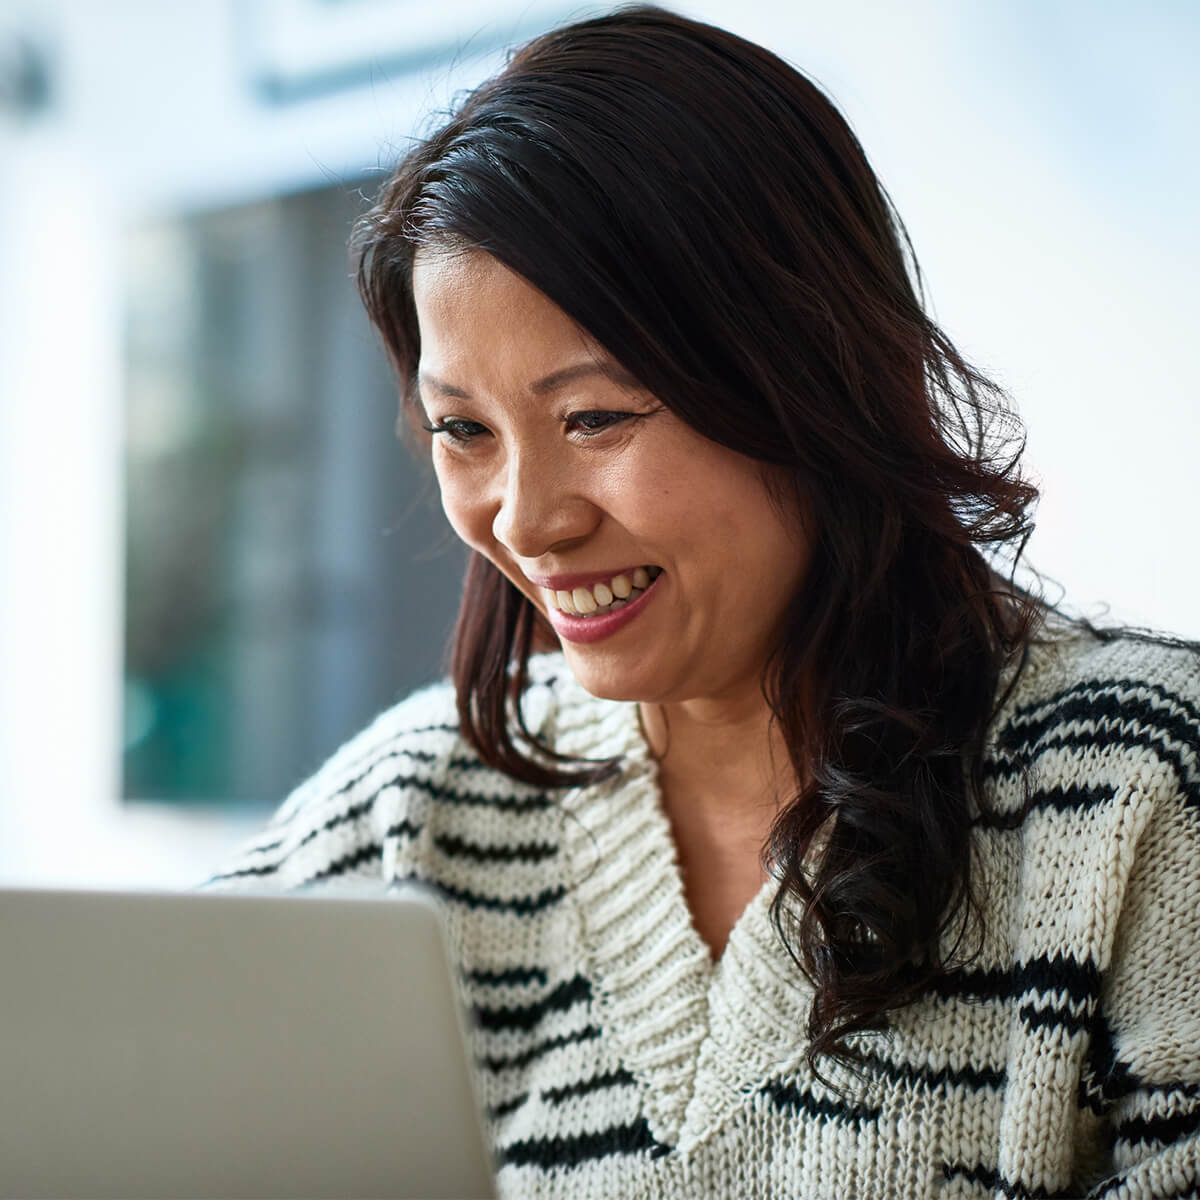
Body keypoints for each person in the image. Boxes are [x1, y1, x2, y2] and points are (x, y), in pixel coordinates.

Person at [206, 7, 1200, 1197]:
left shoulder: (1140, 787)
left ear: (806, 376)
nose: (526, 519)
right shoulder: (409, 815)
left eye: (597, 419)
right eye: (463, 431)